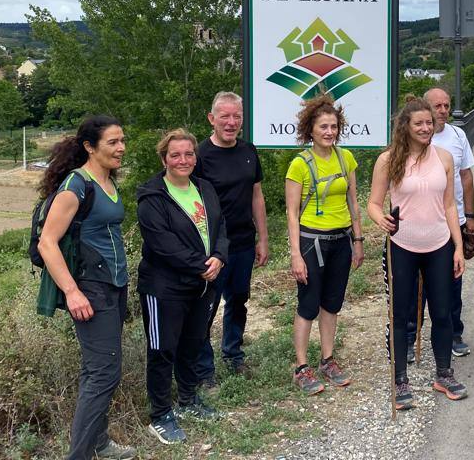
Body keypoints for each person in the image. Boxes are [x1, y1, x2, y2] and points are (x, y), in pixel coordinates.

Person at [36, 116, 134, 460]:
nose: (120, 147)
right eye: (112, 142)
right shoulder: (76, 185)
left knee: (98, 370)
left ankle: (99, 443)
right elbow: (48, 242)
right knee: (104, 374)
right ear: (90, 147)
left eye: (122, 140)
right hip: (91, 290)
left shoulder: (107, 180)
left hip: (114, 285)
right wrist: (72, 292)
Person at [369, 97, 466, 410]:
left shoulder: (445, 158)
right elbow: (373, 203)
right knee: (400, 314)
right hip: (402, 245)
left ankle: (444, 374)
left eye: (429, 123)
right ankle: (399, 379)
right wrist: (379, 218)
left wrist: (459, 247)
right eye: (419, 124)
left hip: (439, 244)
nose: (426, 128)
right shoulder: (388, 160)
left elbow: (450, 204)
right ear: (406, 127)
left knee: (442, 312)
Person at [136, 129, 229, 444]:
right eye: (175, 155)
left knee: (192, 344)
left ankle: (188, 400)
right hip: (164, 288)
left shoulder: (204, 188)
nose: (183, 160)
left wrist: (219, 256)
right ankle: (160, 415)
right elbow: (163, 244)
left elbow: (220, 228)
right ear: (164, 159)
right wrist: (203, 266)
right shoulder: (152, 196)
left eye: (189, 154)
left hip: (202, 286)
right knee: (163, 350)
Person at [285, 95, 365, 395]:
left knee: (332, 303)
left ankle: (328, 359)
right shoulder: (299, 165)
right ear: (311, 130)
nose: (329, 132)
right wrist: (296, 254)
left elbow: (353, 201)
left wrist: (358, 240)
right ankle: (302, 367)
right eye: (323, 127)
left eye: (333, 126)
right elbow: (292, 213)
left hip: (341, 240)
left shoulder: (346, 159)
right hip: (311, 241)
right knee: (308, 305)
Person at [195, 91, 270, 382]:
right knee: (206, 307)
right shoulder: (199, 156)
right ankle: (203, 368)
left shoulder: (249, 150)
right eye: (224, 116)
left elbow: (257, 196)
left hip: (242, 243)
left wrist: (262, 238)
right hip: (212, 247)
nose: (231, 122)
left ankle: (233, 353)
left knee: (238, 301)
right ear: (212, 119)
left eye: (236, 116)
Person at [424, 87, 474, 357]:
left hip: (451, 219)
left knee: (453, 280)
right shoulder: (417, 136)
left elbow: (466, 176)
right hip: (421, 220)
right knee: (417, 284)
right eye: (438, 106)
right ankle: (411, 336)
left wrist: (470, 215)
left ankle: (454, 333)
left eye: (446, 105)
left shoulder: (458, 135)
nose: (443, 110)